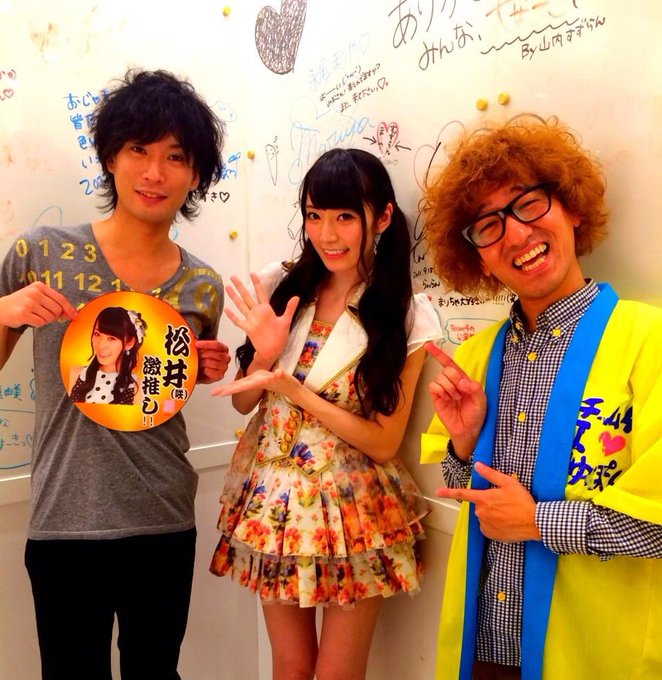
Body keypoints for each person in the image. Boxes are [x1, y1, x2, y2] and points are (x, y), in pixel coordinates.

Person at [0, 69, 231, 680]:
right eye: (138, 149)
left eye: (175, 157)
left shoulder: (202, 284)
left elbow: (168, 386)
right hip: (64, 520)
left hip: (163, 514)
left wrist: (207, 366)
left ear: (196, 175)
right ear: (109, 156)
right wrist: (4, 313)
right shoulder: (41, 252)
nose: (154, 173)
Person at [420, 114, 662, 680]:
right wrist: (464, 445)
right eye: (488, 225)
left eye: (528, 203)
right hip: (484, 647)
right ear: (478, 256)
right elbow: (473, 497)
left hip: (594, 656)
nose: (515, 234)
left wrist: (538, 522)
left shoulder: (649, 341)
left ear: (571, 206)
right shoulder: (474, 358)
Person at [209, 147, 442, 680]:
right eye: (314, 216)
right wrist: (264, 355)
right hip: (274, 504)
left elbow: (383, 442)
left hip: (353, 509)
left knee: (338, 674)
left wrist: (295, 390)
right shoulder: (282, 285)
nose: (327, 234)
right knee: (291, 669)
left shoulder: (406, 314)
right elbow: (243, 401)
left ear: (382, 217)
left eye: (344, 217)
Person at [69, 306, 147, 405]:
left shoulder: (137, 386)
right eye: (97, 334)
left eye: (112, 338)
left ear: (129, 343)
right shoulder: (77, 374)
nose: (101, 345)